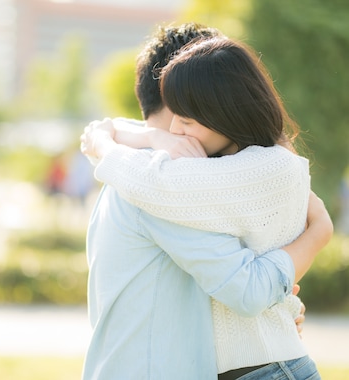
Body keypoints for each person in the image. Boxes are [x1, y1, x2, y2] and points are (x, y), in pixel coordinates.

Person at [81, 25, 332, 379]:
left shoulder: (177, 182)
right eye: (178, 119)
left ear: (218, 109)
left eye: (189, 118)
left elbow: (250, 290)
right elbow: (254, 289)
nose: (179, 135)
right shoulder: (152, 182)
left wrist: (106, 139)